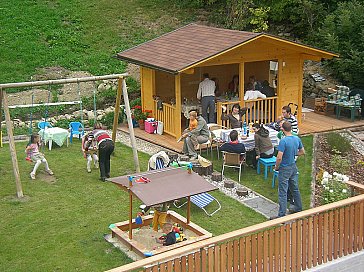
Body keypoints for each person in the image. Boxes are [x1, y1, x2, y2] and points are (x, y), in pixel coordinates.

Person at [274, 122, 305, 218]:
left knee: (282, 192)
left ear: (283, 129)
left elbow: (279, 157)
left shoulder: (283, 141)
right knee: (294, 188)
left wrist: (276, 167)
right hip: (293, 166)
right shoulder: (296, 138)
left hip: (285, 168)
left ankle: (281, 215)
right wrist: (293, 154)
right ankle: (298, 207)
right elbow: (302, 151)